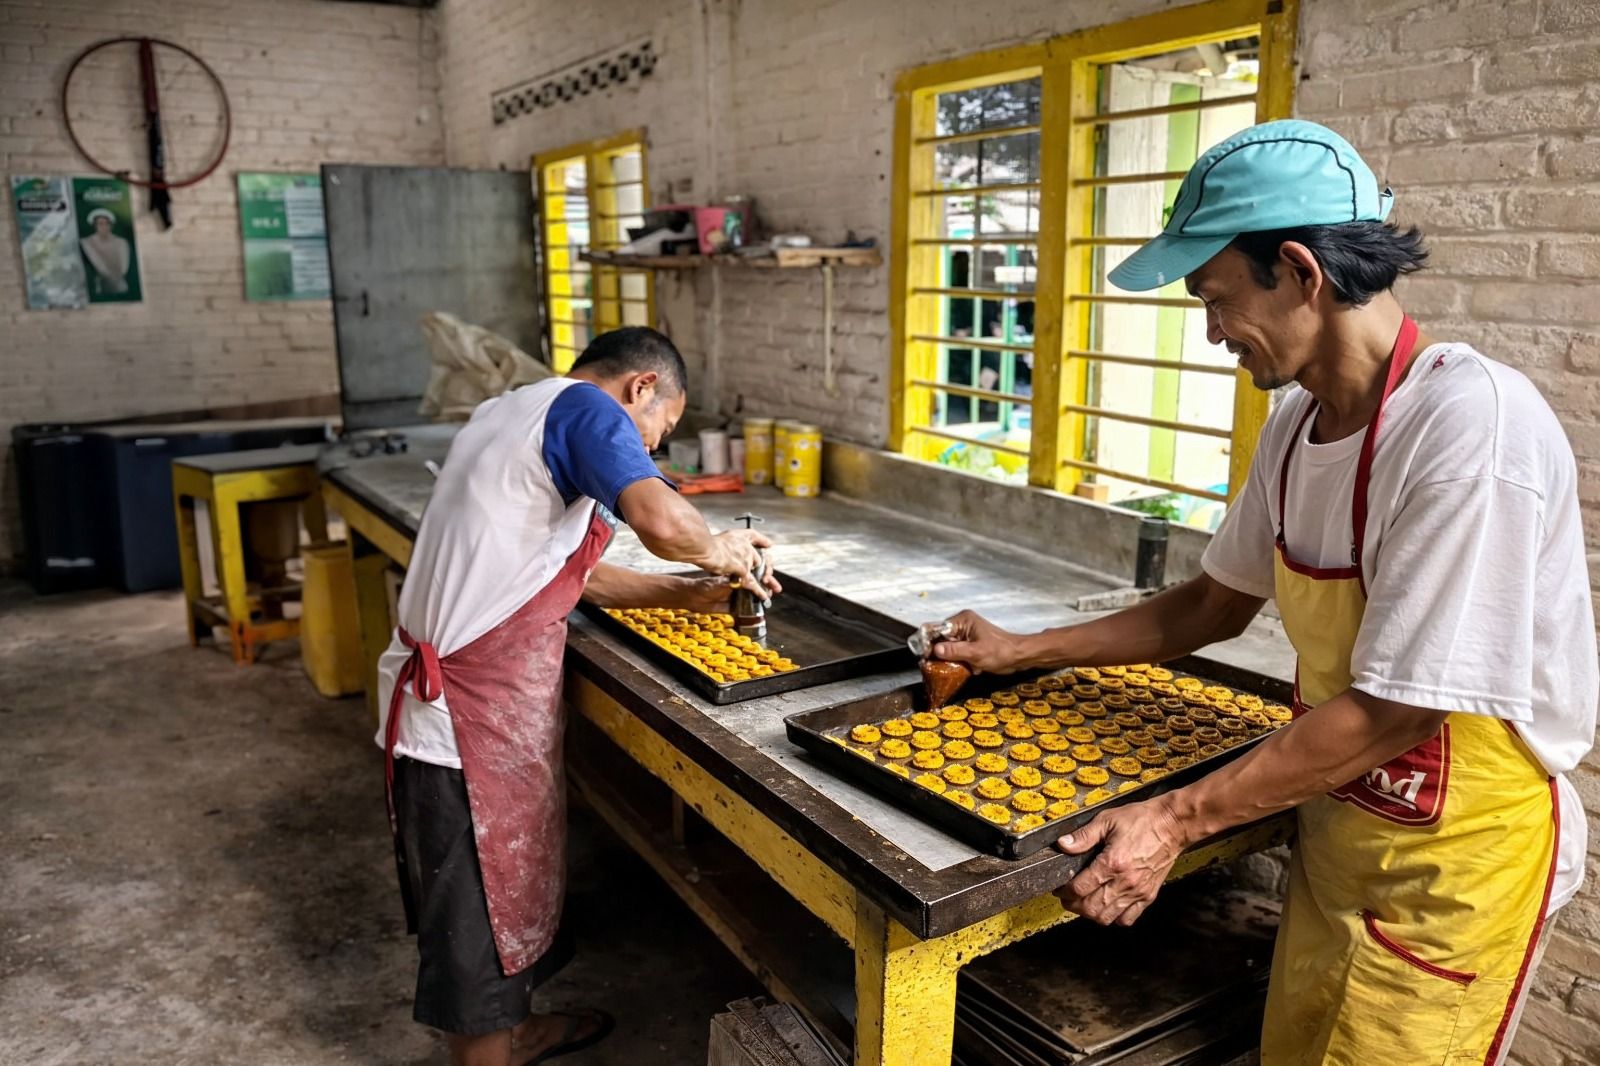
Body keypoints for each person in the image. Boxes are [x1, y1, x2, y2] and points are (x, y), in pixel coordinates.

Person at [927, 120, 1595, 1065]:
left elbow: (1400, 710)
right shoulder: (1293, 427)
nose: (1210, 332)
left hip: (1454, 872)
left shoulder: (1468, 429)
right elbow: (1209, 607)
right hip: (1340, 829)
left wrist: (1171, 819)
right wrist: (1019, 648)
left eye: (1215, 298)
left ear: (1299, 271)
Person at [375, 326, 780, 1066]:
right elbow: (661, 520)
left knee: (506, 895)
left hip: (486, 715)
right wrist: (722, 549)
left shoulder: (510, 410)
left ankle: (515, 1031)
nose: (652, 448)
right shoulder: (587, 410)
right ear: (641, 389)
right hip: (462, 724)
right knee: (478, 919)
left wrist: (680, 597)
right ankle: (485, 1050)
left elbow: (561, 570)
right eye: (661, 430)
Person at [78, 208, 130, 295]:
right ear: (95, 226)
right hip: (101, 286)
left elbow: (124, 267)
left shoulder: (121, 242)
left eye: (107, 223)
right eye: (100, 224)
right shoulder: (86, 242)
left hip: (120, 286)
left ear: (111, 225)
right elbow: (99, 265)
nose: (104, 227)